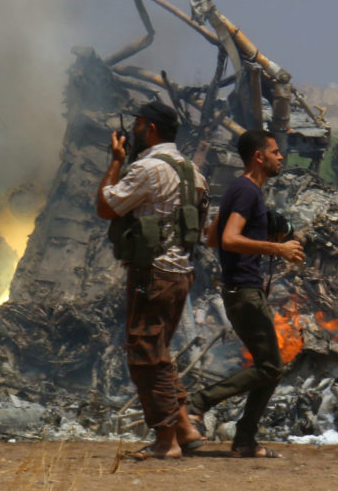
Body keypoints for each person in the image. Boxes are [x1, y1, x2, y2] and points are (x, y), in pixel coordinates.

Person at [96, 100, 209, 459]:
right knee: (157, 352)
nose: (134, 130)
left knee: (144, 356)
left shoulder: (146, 169)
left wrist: (116, 160)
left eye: (139, 124)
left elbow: (106, 206)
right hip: (180, 275)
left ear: (153, 130)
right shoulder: (193, 171)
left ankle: (166, 441)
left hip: (152, 274)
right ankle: (186, 430)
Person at [187, 129, 304, 458]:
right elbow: (229, 239)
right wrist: (276, 248)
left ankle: (245, 441)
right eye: (275, 152)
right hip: (246, 293)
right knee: (270, 368)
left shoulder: (237, 190)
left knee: (270, 365)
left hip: (239, 292)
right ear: (259, 156)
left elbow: (211, 238)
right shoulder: (248, 192)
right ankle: (200, 402)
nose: (281, 157)